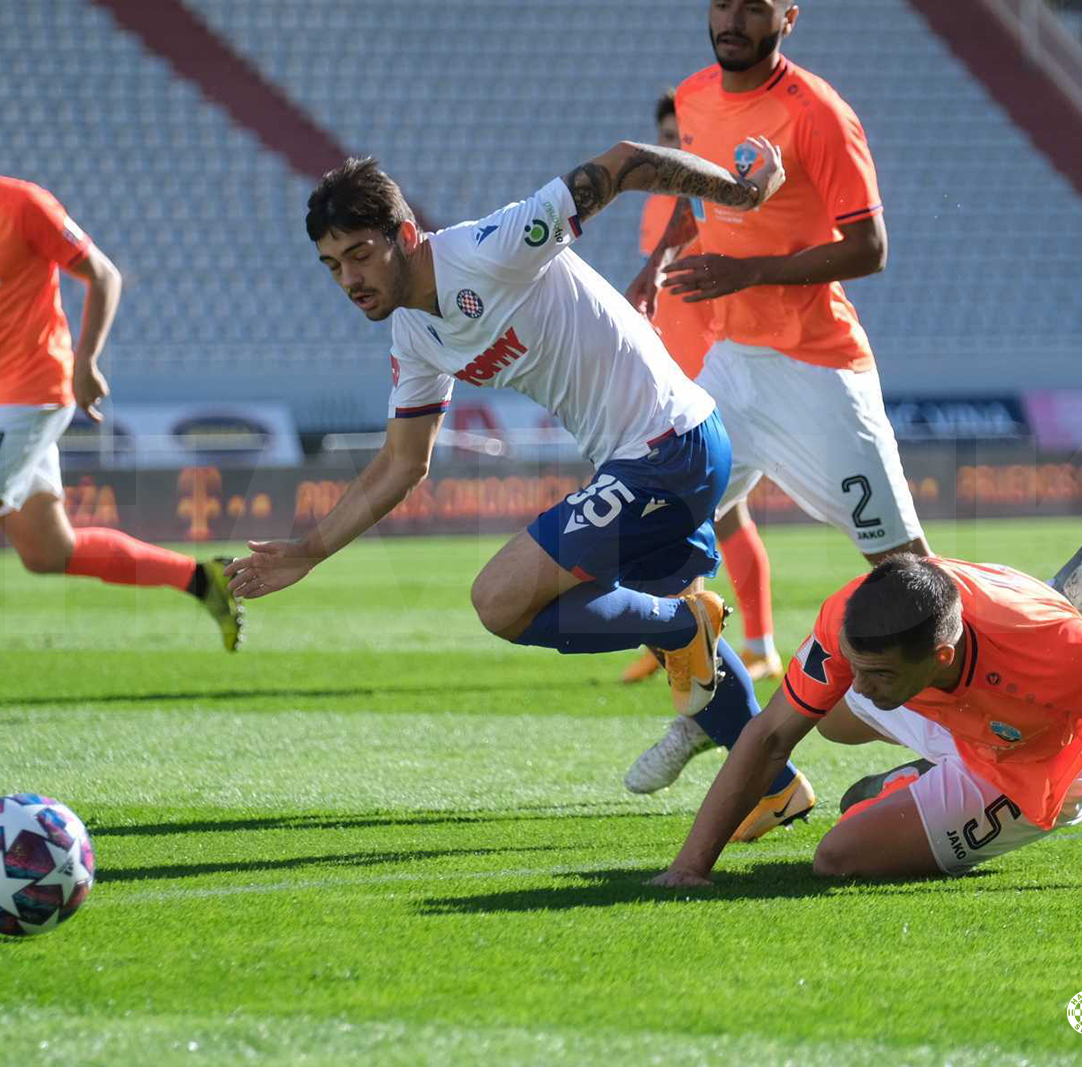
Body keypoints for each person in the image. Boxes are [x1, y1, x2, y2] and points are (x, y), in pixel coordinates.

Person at [223, 138, 821, 841]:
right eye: (333, 265)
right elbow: (401, 463)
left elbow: (625, 162)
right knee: (672, 645)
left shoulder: (491, 245)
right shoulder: (414, 335)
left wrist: (741, 194)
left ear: (404, 235)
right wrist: (309, 550)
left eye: (360, 253)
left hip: (669, 447)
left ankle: (683, 623)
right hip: (647, 460)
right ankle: (774, 786)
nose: (349, 277)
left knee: (501, 599)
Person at [623, 0, 930, 793]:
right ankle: (718, 714)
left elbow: (871, 247)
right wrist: (655, 266)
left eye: (753, 6)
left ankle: (957, 741)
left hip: (816, 368)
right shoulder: (693, 97)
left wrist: (750, 273)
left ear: (787, 16)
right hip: (730, 364)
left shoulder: (819, 113)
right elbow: (697, 205)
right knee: (647, 543)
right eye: (722, 3)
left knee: (904, 572)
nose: (732, 18)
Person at [0, 101, 243, 725]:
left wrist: (85, 361)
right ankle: (199, 579)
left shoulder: (22, 205)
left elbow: (102, 275)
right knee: (45, 553)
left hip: (35, 390)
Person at [650, 553, 1082, 890]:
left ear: (942, 653)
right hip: (953, 703)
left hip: (1040, 761)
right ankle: (929, 770)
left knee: (839, 858)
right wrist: (690, 866)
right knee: (831, 717)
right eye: (855, 665)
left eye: (875, 673)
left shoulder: (1065, 656)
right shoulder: (851, 616)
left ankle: (911, 786)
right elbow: (769, 734)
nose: (860, 680)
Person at [621, 88, 783, 699]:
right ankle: (683, 640)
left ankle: (734, 643)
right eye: (664, 138)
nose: (671, 149)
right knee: (702, 512)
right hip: (666, 370)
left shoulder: (712, 200)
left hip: (709, 374)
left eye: (680, 139)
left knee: (702, 511)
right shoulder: (655, 206)